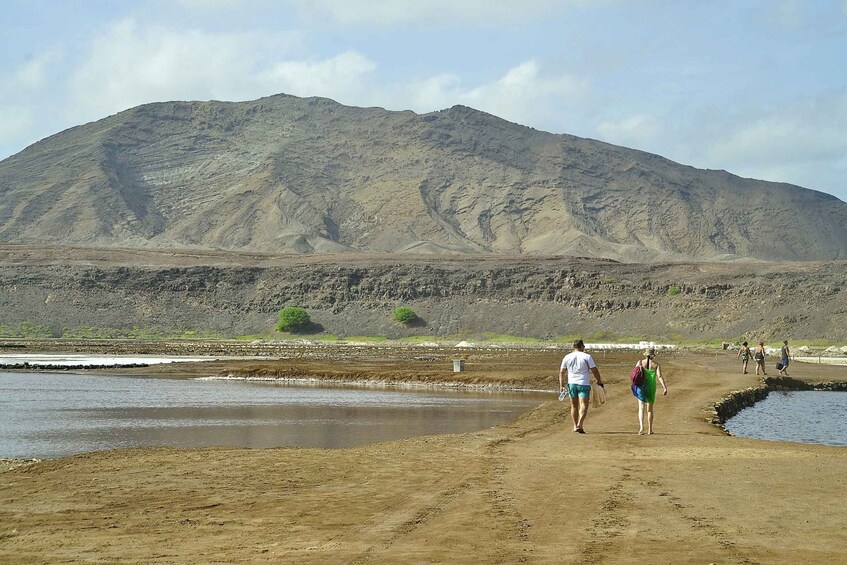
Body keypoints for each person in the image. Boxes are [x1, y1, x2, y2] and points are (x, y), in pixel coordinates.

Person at [559, 339, 604, 434]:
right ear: (581, 346)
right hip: (583, 383)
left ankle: (575, 426)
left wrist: (561, 385)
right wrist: (599, 381)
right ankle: (580, 423)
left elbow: (562, 372)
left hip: (572, 384)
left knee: (573, 405)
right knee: (584, 405)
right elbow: (594, 370)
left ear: (573, 347)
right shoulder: (587, 356)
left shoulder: (567, 357)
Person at [631, 348, 668, 435]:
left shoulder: (639, 362)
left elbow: (635, 374)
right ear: (653, 355)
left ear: (645, 354)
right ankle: (650, 430)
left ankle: (641, 428)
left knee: (641, 408)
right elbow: (659, 376)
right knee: (650, 410)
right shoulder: (656, 365)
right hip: (651, 388)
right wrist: (664, 387)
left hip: (641, 387)